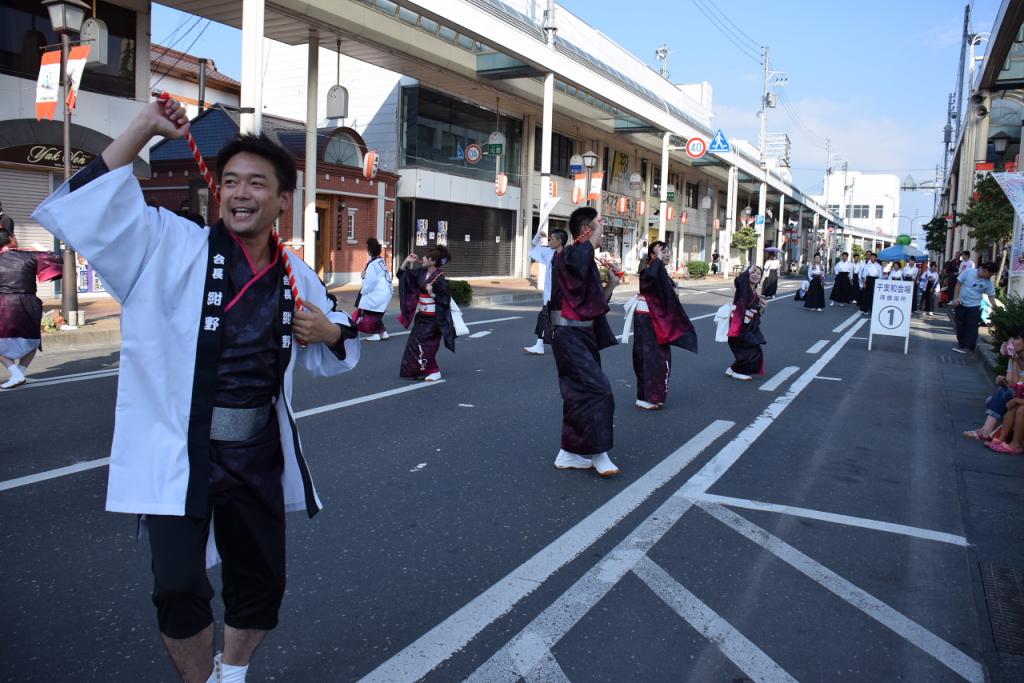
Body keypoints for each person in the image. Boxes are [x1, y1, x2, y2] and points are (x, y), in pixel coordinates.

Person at [32, 96, 361, 683]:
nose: (239, 193)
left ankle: (231, 674)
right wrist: (142, 128)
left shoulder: (296, 276)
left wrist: (331, 329)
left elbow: (339, 354)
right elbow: (81, 206)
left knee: (261, 586)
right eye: (230, 180)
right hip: (179, 451)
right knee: (178, 587)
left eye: (257, 184)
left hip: (256, 453)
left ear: (284, 201)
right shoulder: (167, 246)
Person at [550, 207, 620, 476]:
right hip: (568, 336)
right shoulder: (569, 254)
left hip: (583, 335)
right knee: (598, 390)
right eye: (600, 228)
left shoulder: (583, 260)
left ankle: (568, 453)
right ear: (587, 230)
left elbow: (592, 304)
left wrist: (611, 284)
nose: (603, 234)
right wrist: (592, 237)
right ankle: (598, 452)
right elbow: (580, 253)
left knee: (577, 395)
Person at [630, 240, 697, 410]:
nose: (666, 254)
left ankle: (654, 395)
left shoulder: (661, 272)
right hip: (647, 319)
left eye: (667, 251)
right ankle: (646, 397)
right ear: (653, 255)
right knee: (649, 357)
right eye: (662, 251)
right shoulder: (647, 271)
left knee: (660, 357)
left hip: (659, 320)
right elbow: (650, 278)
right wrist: (658, 260)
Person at [0, 229, 62, 389]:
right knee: (33, 339)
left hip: (4, 303)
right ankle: (20, 372)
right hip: (29, 302)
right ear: (11, 238)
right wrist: (40, 250)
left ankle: (16, 373)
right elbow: (55, 258)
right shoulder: (28, 255)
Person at [398, 245, 455, 381]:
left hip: (434, 319)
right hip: (422, 316)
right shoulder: (421, 272)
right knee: (414, 344)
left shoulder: (440, 279)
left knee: (427, 345)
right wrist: (406, 261)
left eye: (426, 257)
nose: (422, 258)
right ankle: (418, 371)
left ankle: (434, 371)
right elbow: (402, 276)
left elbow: (446, 300)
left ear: (433, 261)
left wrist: (432, 293)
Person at [964, 330, 1024, 442]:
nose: (1011, 342)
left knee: (1000, 396)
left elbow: (1018, 386)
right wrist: (1002, 380)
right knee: (991, 400)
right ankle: (1002, 430)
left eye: (1016, 338)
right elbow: (1011, 383)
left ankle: (986, 431)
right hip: (1018, 394)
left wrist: (1014, 362)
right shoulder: (1014, 358)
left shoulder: (1015, 359)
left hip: (1020, 397)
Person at [524, 228, 568, 355]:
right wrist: (537, 237)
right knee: (544, 318)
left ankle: (565, 345)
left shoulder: (568, 256)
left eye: (552, 239)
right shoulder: (549, 253)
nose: (550, 241)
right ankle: (540, 344)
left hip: (564, 296)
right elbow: (532, 250)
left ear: (559, 241)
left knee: (559, 322)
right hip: (551, 295)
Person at [726, 265, 767, 380]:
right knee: (749, 351)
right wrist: (747, 270)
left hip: (749, 326)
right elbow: (739, 281)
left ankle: (733, 369)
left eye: (758, 274)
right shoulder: (744, 288)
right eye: (753, 272)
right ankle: (736, 371)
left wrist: (763, 307)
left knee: (753, 350)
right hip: (739, 325)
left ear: (760, 278)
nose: (755, 275)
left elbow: (758, 313)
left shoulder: (755, 292)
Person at [353, 237, 393, 341]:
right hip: (385, 292)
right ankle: (383, 332)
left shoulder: (372, 265)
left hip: (378, 293)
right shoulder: (381, 261)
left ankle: (375, 334)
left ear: (370, 251)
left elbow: (370, 282)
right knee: (377, 313)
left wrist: (364, 290)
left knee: (369, 314)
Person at [952, 261, 997, 353]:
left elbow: (991, 295)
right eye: (990, 274)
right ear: (984, 270)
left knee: (972, 327)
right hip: (961, 303)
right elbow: (958, 284)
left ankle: (968, 347)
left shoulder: (988, 282)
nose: (990, 277)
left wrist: (996, 307)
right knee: (960, 326)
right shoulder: (968, 272)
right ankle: (961, 344)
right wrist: (955, 298)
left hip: (974, 306)